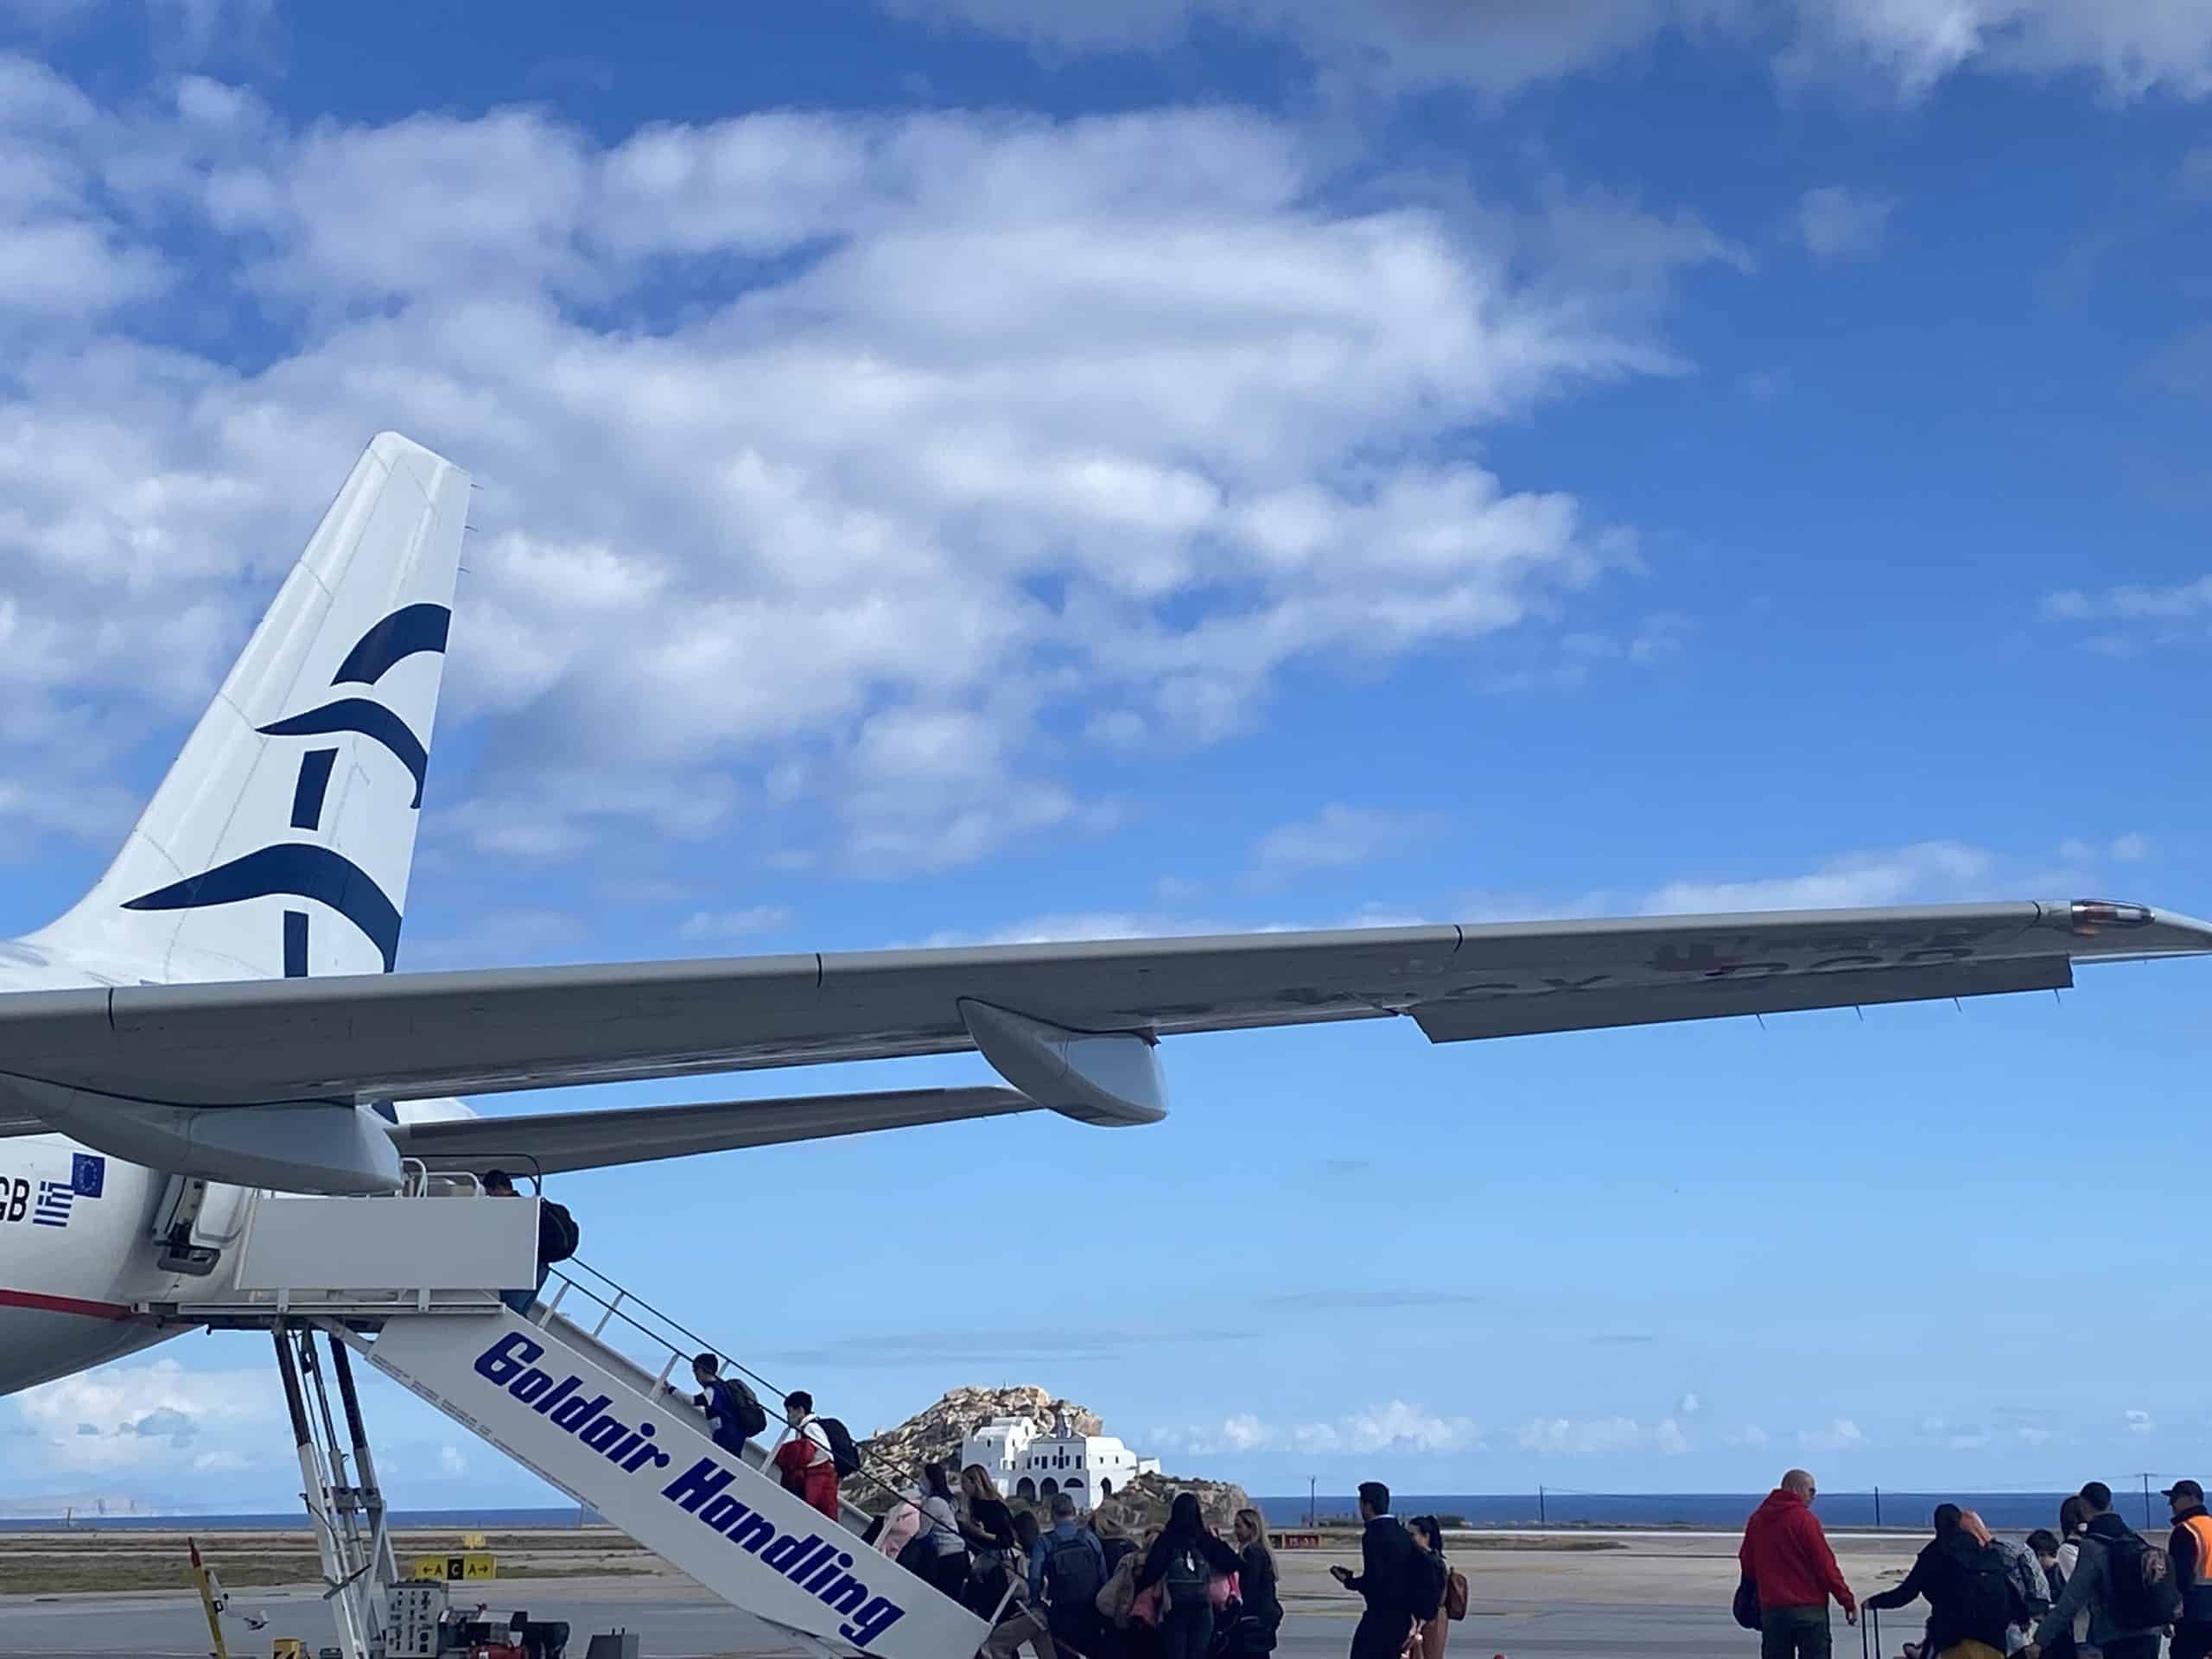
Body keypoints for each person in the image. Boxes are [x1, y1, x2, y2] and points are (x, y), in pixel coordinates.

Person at [2027, 1482, 2168, 1659]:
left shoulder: (2093, 1546)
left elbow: (2073, 1598)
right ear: (2110, 1505)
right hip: (2150, 1631)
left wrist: (2041, 1639)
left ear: (2083, 1507)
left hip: (2117, 1634)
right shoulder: (2135, 1540)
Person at [1866, 1503, 2018, 1659]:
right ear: (1960, 1522)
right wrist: (2023, 1617)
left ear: (1936, 1525)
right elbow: (2008, 1587)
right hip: (1993, 1639)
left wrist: (1874, 1602)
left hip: (1953, 1638)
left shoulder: (1933, 1554)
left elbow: (1905, 1594)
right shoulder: (1985, 1553)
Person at [1739, 1470, 1858, 1659]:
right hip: (1809, 1610)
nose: (1813, 1497)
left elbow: (1747, 1564)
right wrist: (1846, 1601)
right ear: (1796, 1489)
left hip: (1773, 1610)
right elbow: (1825, 1566)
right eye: (1811, 1491)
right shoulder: (1805, 1521)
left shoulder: (1757, 1520)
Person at [1137, 1491, 1240, 1659]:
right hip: (1202, 1608)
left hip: (1175, 1608)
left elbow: (1151, 1572)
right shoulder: (1203, 1539)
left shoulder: (1167, 1539)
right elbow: (1233, 1563)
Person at [1331, 1482, 1419, 1659]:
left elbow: (1376, 1580)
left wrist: (1349, 1581)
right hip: (1403, 1617)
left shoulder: (1374, 1534)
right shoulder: (1401, 1532)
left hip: (1380, 1616)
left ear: (1367, 1505)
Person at [482, 1169, 576, 1314]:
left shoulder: (509, 1209)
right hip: (541, 1267)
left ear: (499, 1188)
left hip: (522, 1270)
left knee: (510, 1313)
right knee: (518, 1315)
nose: (490, 1198)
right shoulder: (530, 1206)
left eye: (490, 1193)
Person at [1957, 1510, 2048, 1656]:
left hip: (2010, 1624)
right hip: (2027, 1619)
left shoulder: (1984, 1558)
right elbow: (2036, 1580)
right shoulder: (2018, 1547)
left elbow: (2010, 1588)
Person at [1032, 1491, 1109, 1656]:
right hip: (1091, 1608)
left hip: (1062, 1610)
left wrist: (1035, 1602)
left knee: (1065, 1652)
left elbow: (1035, 1576)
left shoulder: (1044, 1542)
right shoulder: (1089, 1538)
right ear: (1074, 1511)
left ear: (1052, 1514)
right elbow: (1103, 1573)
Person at [984, 1511, 1059, 1659]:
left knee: (995, 1644)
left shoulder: (1023, 1558)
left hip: (1032, 1613)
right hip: (1047, 1611)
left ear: (1017, 1533)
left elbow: (1020, 1590)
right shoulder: (1045, 1549)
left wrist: (1007, 1567)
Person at [961, 1465, 1022, 1618]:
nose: (962, 1487)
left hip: (992, 1562)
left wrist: (982, 1533)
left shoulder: (995, 1507)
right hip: (977, 1557)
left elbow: (1007, 1539)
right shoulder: (971, 1504)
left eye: (965, 1482)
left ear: (975, 1482)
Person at [1222, 1508, 1281, 1658]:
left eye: (1238, 1526)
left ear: (1251, 1528)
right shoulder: (1260, 1551)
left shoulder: (1252, 1552)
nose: (1235, 1531)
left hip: (1255, 1621)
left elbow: (1250, 1589)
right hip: (1263, 1619)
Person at [771, 1390, 839, 1519]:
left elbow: (824, 1452)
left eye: (790, 1411)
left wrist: (805, 1466)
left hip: (819, 1475)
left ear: (800, 1410)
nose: (788, 1416)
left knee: (806, 1512)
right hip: (826, 1476)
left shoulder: (810, 1427)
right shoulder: (813, 1426)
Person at [683, 1353, 762, 1459]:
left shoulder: (713, 1390)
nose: (695, 1376)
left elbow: (694, 1401)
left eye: (695, 1371)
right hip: (735, 1438)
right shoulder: (724, 1388)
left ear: (701, 1370)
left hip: (726, 1439)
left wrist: (671, 1390)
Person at [2168, 1479, 2212, 1659]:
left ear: (2192, 1498)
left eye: (2175, 1499)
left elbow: (2179, 1579)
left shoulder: (2186, 1530)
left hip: (2195, 1614)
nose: (2171, 1505)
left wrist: (2169, 1613)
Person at [918, 1460, 969, 1599]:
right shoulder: (947, 1500)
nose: (920, 1482)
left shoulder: (934, 1503)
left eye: (922, 1478)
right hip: (959, 1554)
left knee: (944, 1596)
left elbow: (921, 1532)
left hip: (948, 1556)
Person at [1401, 1516, 1450, 1659]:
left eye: (1412, 1535)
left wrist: (1419, 1622)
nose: (1408, 1539)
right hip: (1428, 1617)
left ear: (1426, 1536)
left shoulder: (1429, 1562)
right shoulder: (1430, 1559)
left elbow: (1431, 1594)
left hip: (1428, 1619)